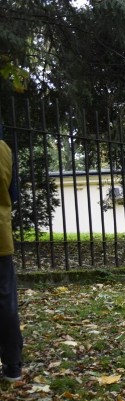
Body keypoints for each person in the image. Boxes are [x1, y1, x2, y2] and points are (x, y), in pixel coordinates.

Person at [0, 135, 23, 382]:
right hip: (0, 236)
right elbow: (12, 194)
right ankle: (12, 364)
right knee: (5, 301)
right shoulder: (4, 149)